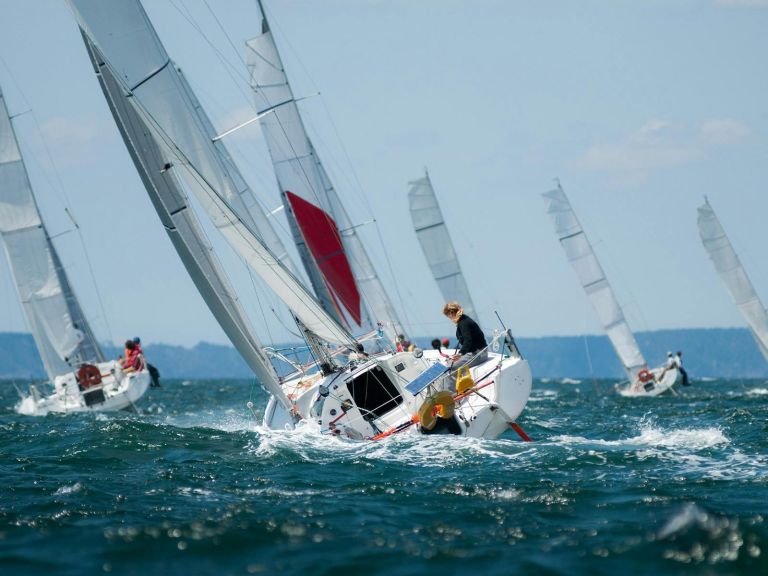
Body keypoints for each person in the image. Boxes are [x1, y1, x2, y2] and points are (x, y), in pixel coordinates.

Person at [442, 301, 488, 368]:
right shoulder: (463, 319)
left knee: (450, 367)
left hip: (478, 354)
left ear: (451, 312)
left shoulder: (463, 323)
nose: (449, 318)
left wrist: (460, 354)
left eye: (447, 315)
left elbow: (468, 340)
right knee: (449, 361)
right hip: (477, 352)